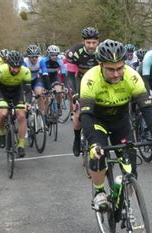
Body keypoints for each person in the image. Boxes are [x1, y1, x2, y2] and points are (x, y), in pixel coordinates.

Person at [79, 39, 152, 211]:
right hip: (98, 122)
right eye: (110, 69)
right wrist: (94, 143)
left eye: (120, 68)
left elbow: (147, 108)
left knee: (131, 169)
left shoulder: (132, 76)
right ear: (100, 65)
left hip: (121, 122)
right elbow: (86, 115)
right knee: (98, 155)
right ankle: (99, 192)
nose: (116, 74)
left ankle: (124, 202)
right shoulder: (90, 79)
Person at [0, 51, 32, 158]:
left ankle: (21, 145)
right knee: (3, 114)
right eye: (13, 67)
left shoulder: (26, 71)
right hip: (3, 92)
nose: (16, 69)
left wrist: (28, 103)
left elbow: (28, 90)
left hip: (17, 92)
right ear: (8, 64)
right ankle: (2, 133)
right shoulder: (1, 70)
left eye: (18, 67)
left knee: (22, 115)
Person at [66, 26, 100, 157]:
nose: (91, 46)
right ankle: (76, 139)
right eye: (88, 43)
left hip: (96, 80)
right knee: (78, 113)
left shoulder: (101, 51)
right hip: (79, 80)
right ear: (83, 41)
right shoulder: (75, 52)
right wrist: (74, 93)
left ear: (98, 42)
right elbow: (69, 76)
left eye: (94, 42)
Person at [23, 45, 46, 114]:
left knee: (39, 94)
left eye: (36, 56)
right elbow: (23, 77)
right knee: (27, 98)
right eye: (32, 57)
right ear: (28, 57)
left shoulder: (41, 60)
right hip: (26, 81)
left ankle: (42, 114)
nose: (34, 59)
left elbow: (45, 74)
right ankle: (26, 114)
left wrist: (48, 87)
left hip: (36, 80)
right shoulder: (25, 62)